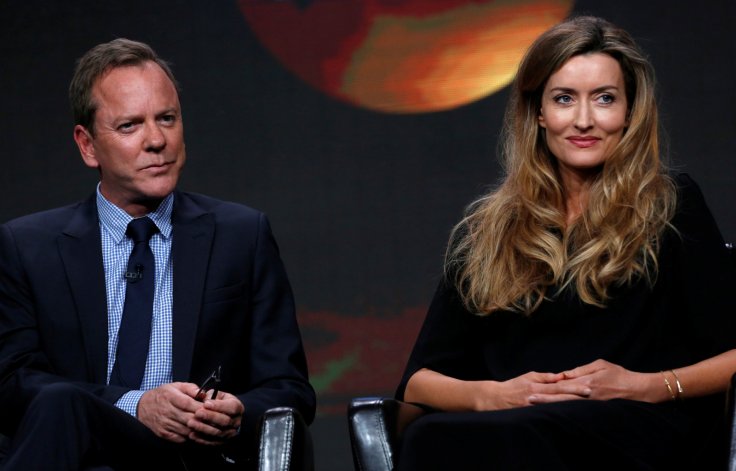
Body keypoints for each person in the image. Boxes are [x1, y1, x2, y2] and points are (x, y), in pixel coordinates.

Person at [395, 15, 736, 470]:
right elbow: (418, 383)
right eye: (563, 99)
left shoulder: (670, 205)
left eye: (604, 99)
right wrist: (493, 395)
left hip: (637, 427)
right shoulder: (491, 227)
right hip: (512, 423)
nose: (583, 120)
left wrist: (649, 385)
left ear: (630, 112)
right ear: (538, 112)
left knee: (518, 438)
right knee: (436, 437)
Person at [0, 38, 315, 470]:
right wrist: (136, 404)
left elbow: (290, 389)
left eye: (167, 118)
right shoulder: (26, 246)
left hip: (190, 457)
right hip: (76, 448)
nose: (156, 140)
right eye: (130, 126)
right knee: (59, 403)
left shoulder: (242, 235)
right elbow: (10, 383)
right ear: (87, 145)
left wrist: (236, 412)